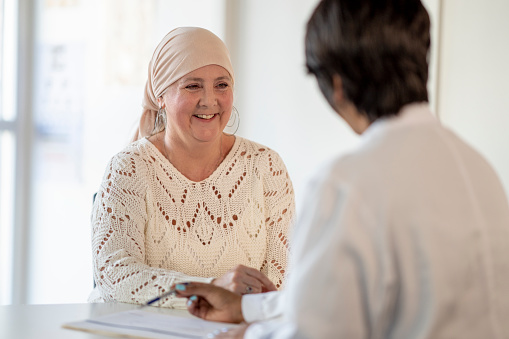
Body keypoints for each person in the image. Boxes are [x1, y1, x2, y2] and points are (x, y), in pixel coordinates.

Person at [172, 0, 509, 338]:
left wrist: (248, 335)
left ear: (336, 84)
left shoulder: (346, 185)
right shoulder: (479, 170)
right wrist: (248, 308)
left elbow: (317, 332)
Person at [89, 27, 295, 309]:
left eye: (221, 85)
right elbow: (115, 276)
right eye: (193, 86)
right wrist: (211, 290)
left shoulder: (266, 166)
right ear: (161, 95)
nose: (209, 100)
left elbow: (279, 285)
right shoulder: (129, 168)